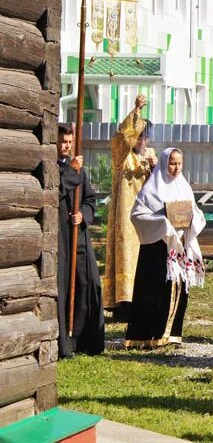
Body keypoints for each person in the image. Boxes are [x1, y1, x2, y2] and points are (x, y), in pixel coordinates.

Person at [125, 148, 206, 349]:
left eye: (179, 163)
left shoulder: (184, 186)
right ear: (164, 163)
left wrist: (192, 219)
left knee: (179, 290)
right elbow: (137, 216)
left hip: (180, 246)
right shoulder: (151, 189)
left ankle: (172, 334)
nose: (176, 167)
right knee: (155, 293)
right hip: (158, 248)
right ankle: (149, 335)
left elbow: (195, 211)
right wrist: (163, 222)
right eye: (172, 163)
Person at [103, 94, 158, 322]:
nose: (142, 141)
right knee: (126, 255)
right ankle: (122, 305)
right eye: (139, 137)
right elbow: (121, 138)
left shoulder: (151, 156)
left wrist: (156, 169)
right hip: (125, 216)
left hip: (146, 215)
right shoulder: (121, 156)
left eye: (145, 137)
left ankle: (143, 302)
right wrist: (136, 111)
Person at [56, 124, 105, 358]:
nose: (66, 145)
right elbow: (53, 191)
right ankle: (66, 342)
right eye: (63, 141)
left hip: (79, 237)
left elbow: (90, 199)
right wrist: (71, 172)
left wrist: (82, 214)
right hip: (60, 238)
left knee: (88, 284)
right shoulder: (54, 168)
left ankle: (85, 339)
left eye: (69, 141)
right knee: (64, 286)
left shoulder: (79, 170)